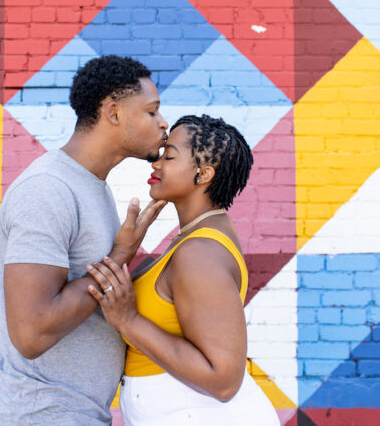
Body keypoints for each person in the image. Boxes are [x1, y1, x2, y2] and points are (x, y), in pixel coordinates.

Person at [0, 55, 169, 425]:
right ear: (113, 113)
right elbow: (31, 332)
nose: (163, 123)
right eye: (151, 112)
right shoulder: (48, 190)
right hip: (38, 415)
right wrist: (120, 255)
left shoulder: (90, 186)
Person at [87, 115, 281, 426]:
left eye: (170, 156)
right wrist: (128, 250)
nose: (156, 164)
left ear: (203, 174)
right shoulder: (197, 239)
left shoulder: (199, 253)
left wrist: (128, 320)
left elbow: (223, 380)